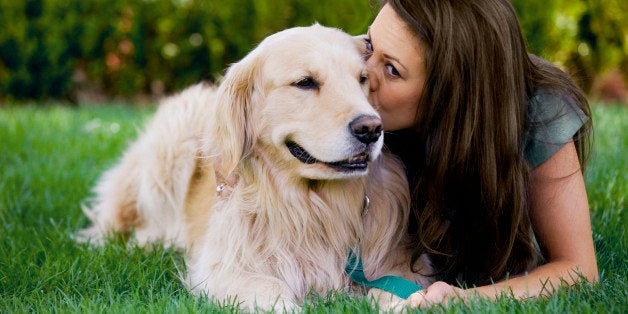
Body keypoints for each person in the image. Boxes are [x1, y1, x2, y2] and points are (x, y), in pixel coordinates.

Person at [362, 0, 598, 308]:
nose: (363, 73)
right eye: (369, 44)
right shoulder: (360, 101)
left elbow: (577, 268)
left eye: (391, 69)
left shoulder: (538, 112)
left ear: (448, 92)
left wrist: (462, 300)